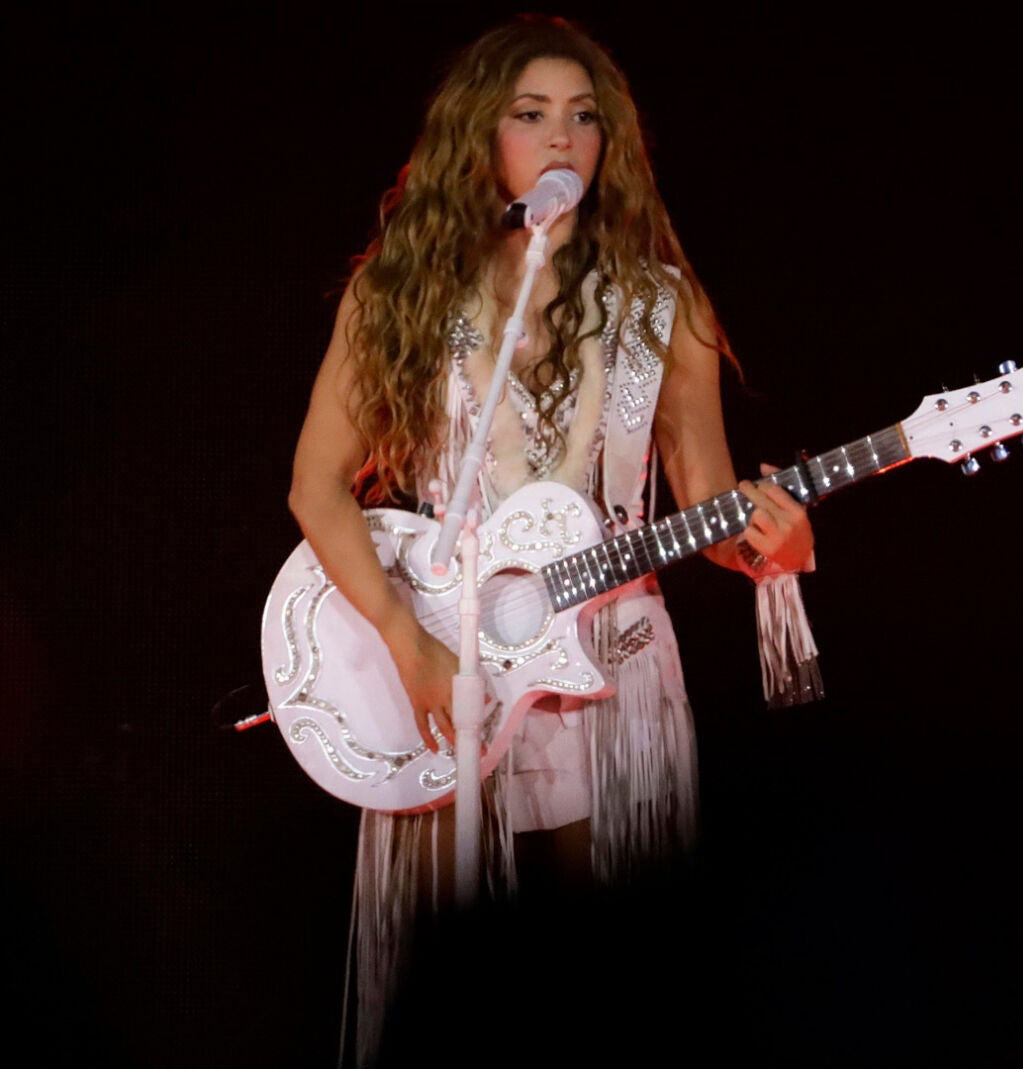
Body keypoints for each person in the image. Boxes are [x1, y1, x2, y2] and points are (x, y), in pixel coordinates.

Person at [285, 14, 820, 1064]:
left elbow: (709, 503)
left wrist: (774, 547)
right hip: (446, 654)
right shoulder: (399, 294)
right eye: (530, 116)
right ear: (482, 138)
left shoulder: (667, 309)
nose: (561, 138)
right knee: (446, 1006)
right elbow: (315, 490)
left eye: (583, 117)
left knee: (619, 993)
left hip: (613, 664)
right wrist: (409, 641)